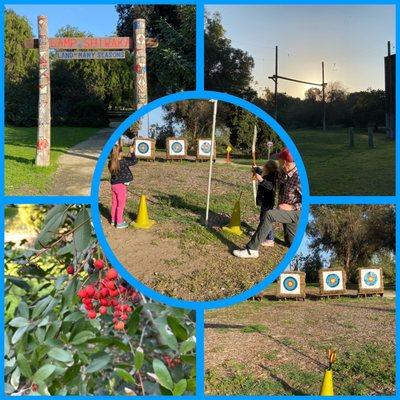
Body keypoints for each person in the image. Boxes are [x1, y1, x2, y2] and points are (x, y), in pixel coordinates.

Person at [233, 148, 302, 258]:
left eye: (279, 160)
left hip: (296, 213)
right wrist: (257, 170)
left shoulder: (299, 177)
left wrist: (292, 207)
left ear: (285, 161)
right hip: (285, 213)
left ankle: (252, 250)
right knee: (291, 243)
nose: (277, 162)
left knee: (269, 214)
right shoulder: (282, 172)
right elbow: (269, 173)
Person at [108, 141, 137, 229]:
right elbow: (134, 161)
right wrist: (132, 152)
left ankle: (113, 220)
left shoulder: (111, 162)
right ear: (120, 152)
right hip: (120, 186)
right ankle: (119, 222)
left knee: (115, 203)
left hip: (113, 185)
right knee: (121, 204)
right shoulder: (123, 162)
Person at [254, 159, 278, 247]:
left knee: (266, 220)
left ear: (268, 168)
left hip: (268, 202)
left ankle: (270, 239)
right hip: (265, 201)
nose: (263, 168)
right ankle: (260, 232)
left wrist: (261, 180)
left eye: (264, 166)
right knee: (262, 218)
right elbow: (261, 172)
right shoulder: (268, 173)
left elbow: (270, 186)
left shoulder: (273, 176)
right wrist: (256, 168)